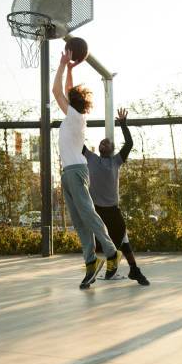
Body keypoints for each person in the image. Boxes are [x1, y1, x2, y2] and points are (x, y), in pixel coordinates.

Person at [52, 49, 122, 289]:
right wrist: (71, 70)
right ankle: (91, 262)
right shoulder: (74, 116)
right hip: (68, 173)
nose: (65, 99)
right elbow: (68, 93)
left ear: (72, 104)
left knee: (89, 215)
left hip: (77, 172)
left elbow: (56, 91)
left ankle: (111, 253)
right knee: (79, 222)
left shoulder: (74, 117)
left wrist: (62, 65)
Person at [82, 108, 150, 286]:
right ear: (98, 148)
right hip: (96, 210)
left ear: (112, 149)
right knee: (94, 245)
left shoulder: (116, 161)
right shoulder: (91, 158)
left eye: (107, 143)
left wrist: (123, 124)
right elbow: (77, 142)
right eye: (102, 142)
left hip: (112, 210)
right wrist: (76, 121)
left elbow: (129, 143)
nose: (104, 143)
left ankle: (134, 269)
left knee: (123, 240)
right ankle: (92, 274)